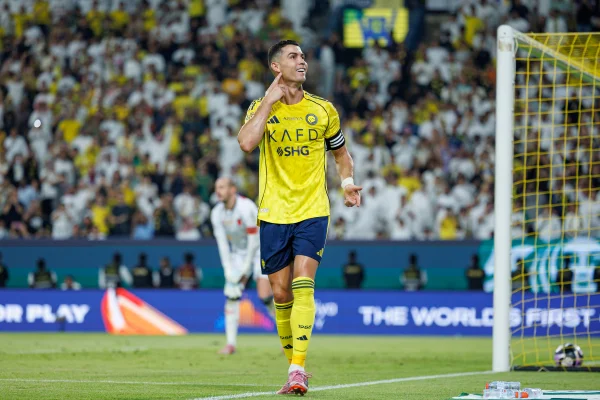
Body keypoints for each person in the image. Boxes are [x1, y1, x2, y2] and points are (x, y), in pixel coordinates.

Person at [237, 40, 361, 395]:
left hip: (312, 209)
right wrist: (268, 103)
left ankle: (297, 368)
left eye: (303, 56)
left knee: (303, 282)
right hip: (273, 211)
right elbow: (246, 143)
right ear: (276, 67)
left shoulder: (323, 110)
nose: (302, 61)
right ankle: (294, 366)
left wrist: (347, 184)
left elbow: (341, 155)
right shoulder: (260, 108)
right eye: (293, 56)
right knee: (280, 294)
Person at [211, 177, 275, 355]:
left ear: (233, 189)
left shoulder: (246, 207)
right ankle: (230, 344)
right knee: (232, 294)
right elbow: (223, 245)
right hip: (238, 254)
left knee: (265, 296)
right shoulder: (216, 213)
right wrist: (228, 271)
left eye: (222, 187)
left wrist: (245, 270)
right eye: (217, 187)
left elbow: (254, 241)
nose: (218, 191)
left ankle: (287, 336)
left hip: (260, 250)